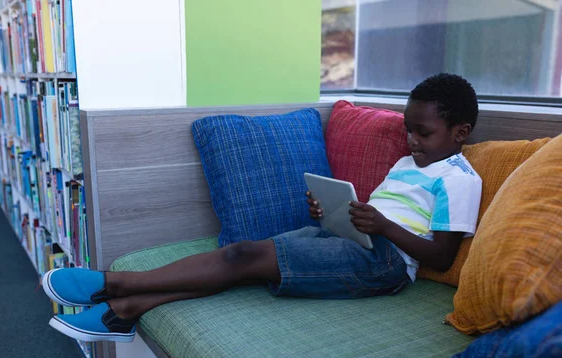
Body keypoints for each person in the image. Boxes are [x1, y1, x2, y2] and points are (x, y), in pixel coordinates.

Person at [43, 73, 482, 343]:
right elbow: (384, 212)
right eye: (408, 130)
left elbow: (440, 256)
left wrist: (382, 225)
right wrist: (336, 212)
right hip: (356, 237)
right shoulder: (409, 162)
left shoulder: (460, 179)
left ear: (460, 131)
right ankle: (124, 311)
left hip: (383, 264)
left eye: (423, 133)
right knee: (245, 260)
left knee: (242, 255)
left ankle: (112, 283)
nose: (411, 142)